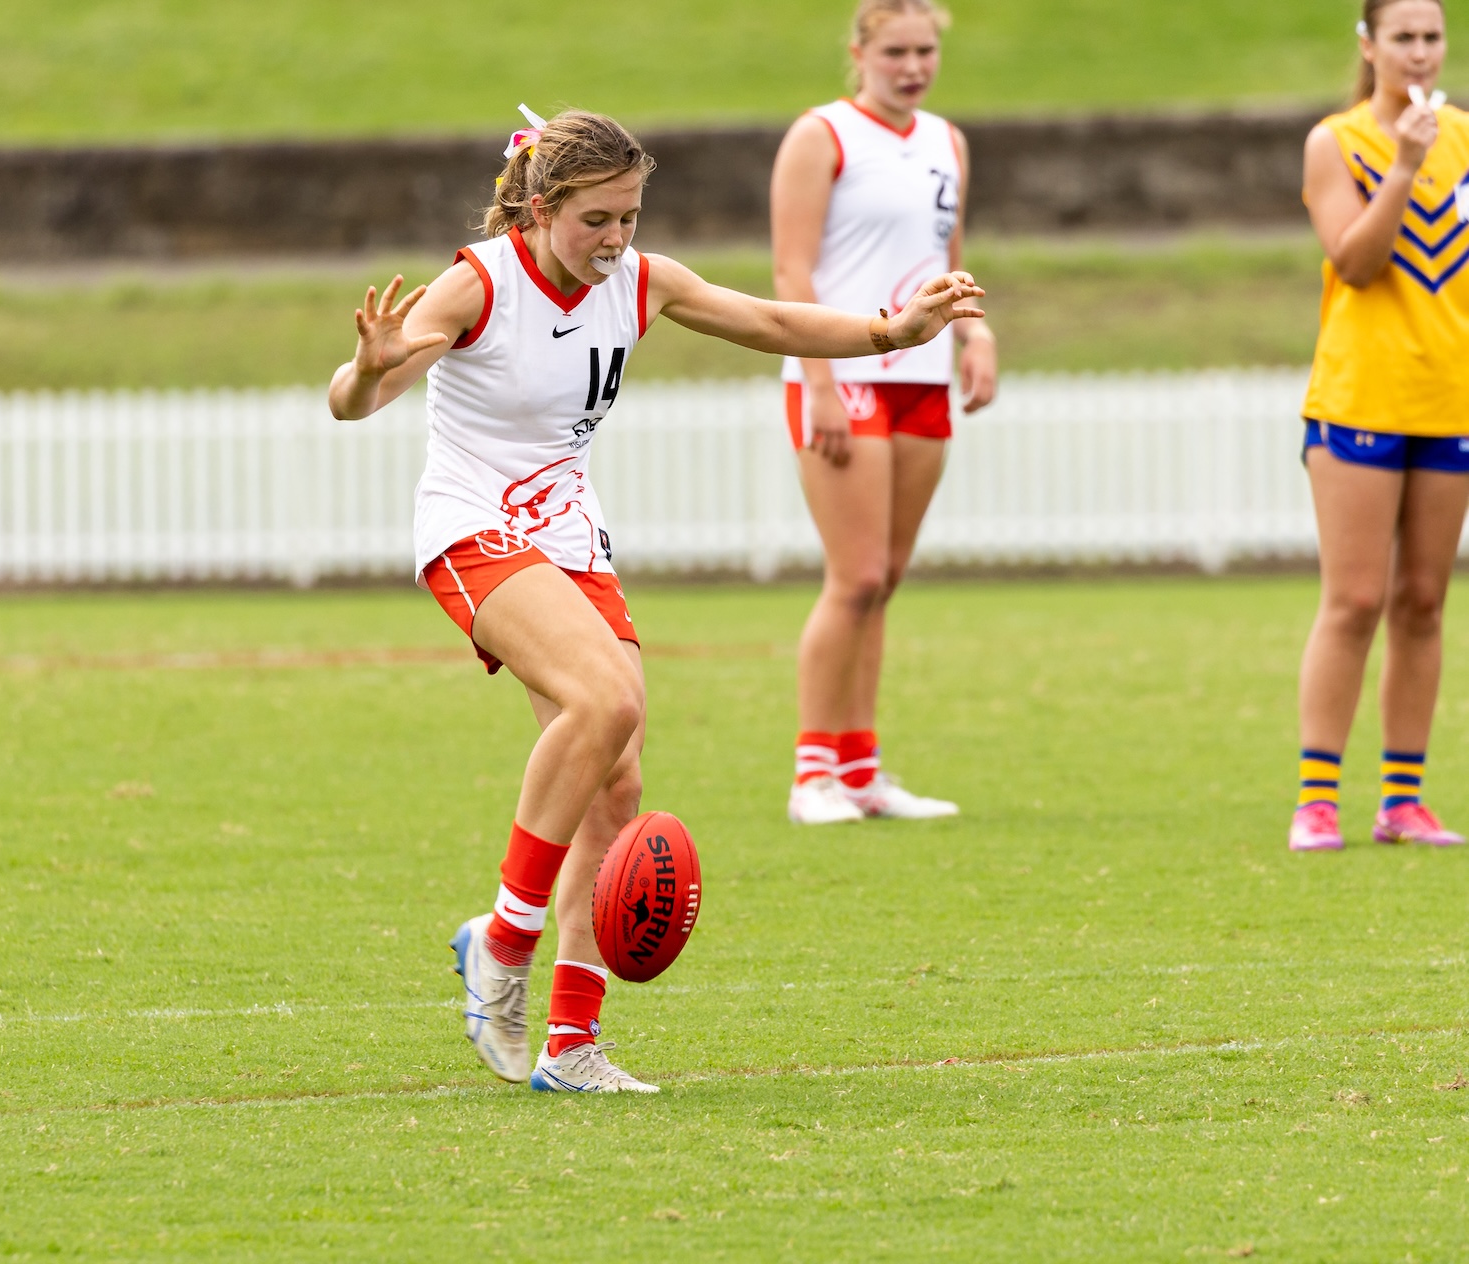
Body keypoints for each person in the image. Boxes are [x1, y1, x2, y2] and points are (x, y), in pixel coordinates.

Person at [328, 107, 984, 1090]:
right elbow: (357, 399)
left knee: (618, 782)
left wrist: (892, 330)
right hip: (473, 527)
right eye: (595, 219)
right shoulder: (479, 283)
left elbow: (768, 321)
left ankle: (570, 1046)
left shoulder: (639, 281)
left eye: (629, 216)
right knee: (606, 701)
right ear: (540, 209)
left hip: (568, 535)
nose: (616, 238)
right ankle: (503, 940)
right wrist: (366, 368)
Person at [770, 0, 998, 826]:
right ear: (860, 51)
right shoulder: (822, 136)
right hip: (845, 374)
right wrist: (821, 381)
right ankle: (812, 775)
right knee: (856, 576)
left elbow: (946, 255)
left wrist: (975, 333)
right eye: (896, 51)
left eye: (925, 51)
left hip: (922, 376)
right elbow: (792, 273)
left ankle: (862, 770)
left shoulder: (947, 141)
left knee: (886, 581)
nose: (913, 66)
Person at [1290, 0, 1469, 852]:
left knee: (1424, 601)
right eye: (1403, 37)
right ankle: (1317, 799)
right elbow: (1356, 263)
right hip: (1360, 397)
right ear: (1369, 45)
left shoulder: (1467, 137)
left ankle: (1403, 800)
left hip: (1448, 399)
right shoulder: (1338, 141)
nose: (1421, 52)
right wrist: (1404, 166)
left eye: (1433, 36)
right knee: (1355, 599)